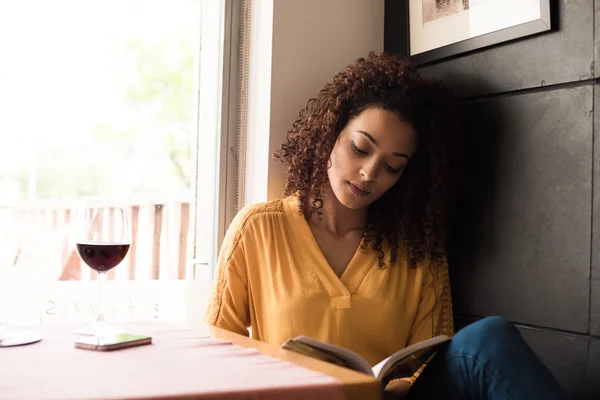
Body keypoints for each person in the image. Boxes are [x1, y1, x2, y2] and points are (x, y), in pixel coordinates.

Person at [203, 52, 566, 399]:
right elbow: (215, 354)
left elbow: (428, 360)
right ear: (330, 134)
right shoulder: (259, 230)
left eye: (393, 166)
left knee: (488, 340)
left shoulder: (415, 249)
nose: (369, 173)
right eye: (360, 148)